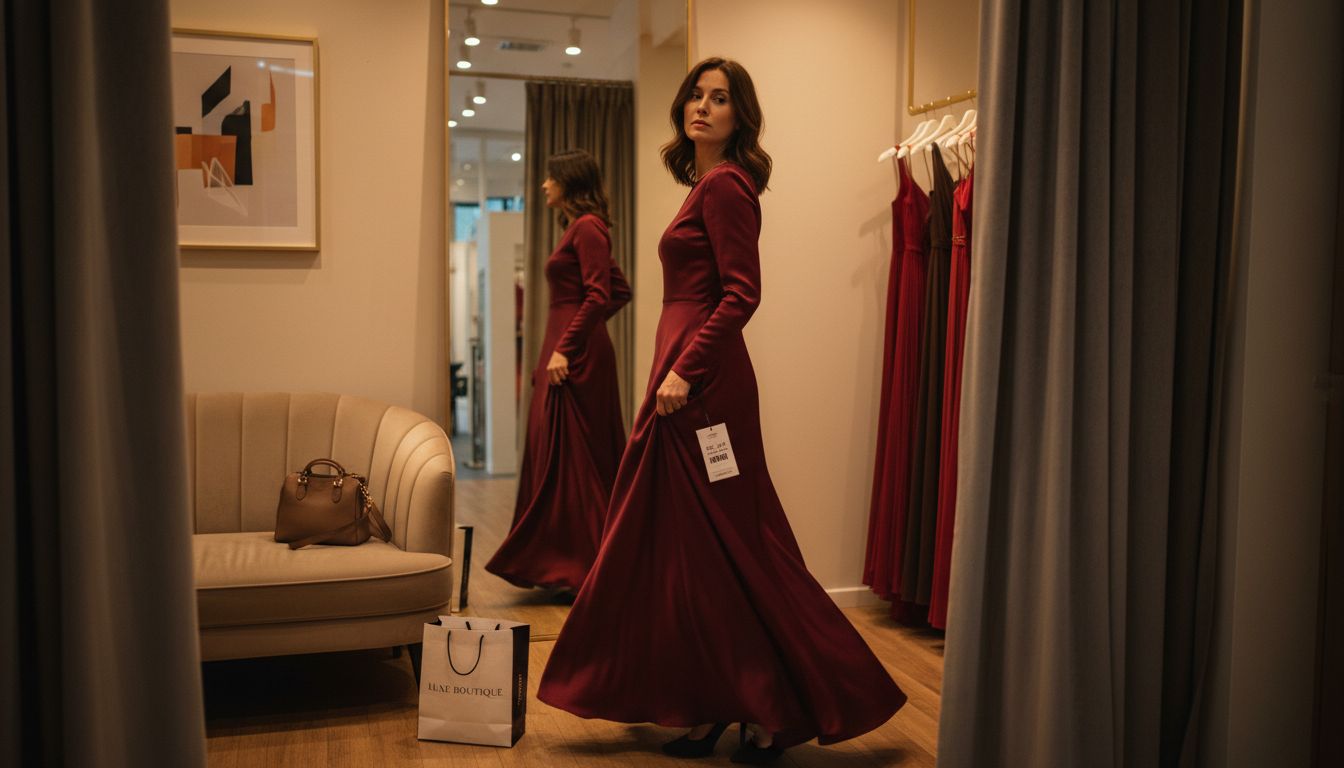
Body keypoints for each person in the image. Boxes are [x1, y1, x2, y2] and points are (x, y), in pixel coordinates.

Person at [537, 58, 906, 764]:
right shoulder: (703, 185)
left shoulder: (730, 186)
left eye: (721, 99)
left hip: (702, 386)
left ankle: (786, 699)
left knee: (734, 543)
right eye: (696, 96)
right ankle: (716, 700)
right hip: (678, 375)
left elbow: (742, 293)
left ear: (741, 117)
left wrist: (684, 370)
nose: (702, 107)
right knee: (689, 549)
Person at [484, 149, 631, 595]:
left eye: (551, 178)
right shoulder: (580, 228)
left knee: (575, 461)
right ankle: (575, 565)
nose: (544, 185)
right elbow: (618, 290)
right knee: (561, 455)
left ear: (569, 180)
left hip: (573, 355)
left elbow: (601, 293)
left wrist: (567, 346)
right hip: (569, 348)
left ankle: (587, 569)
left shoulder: (587, 228)